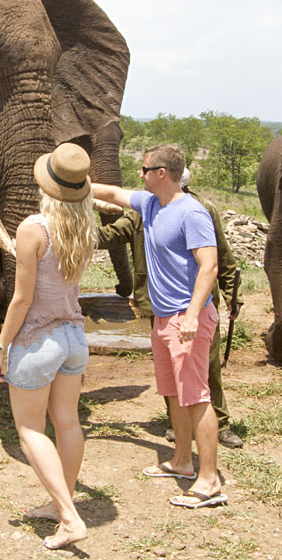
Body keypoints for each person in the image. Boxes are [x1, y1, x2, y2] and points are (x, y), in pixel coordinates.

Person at [93, 144, 227, 509]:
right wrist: (70, 183)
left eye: (144, 169)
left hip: (187, 318)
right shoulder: (151, 204)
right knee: (174, 393)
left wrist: (193, 315)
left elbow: (209, 266)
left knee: (196, 397)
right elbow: (112, 193)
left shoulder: (192, 213)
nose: (140, 174)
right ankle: (182, 460)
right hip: (163, 318)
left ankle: (210, 480)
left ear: (162, 173)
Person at [0, 142, 96, 549]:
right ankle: (60, 503)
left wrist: (1, 346)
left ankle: (69, 517)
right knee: (67, 423)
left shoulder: (33, 228)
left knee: (30, 429)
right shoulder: (85, 227)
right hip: (74, 339)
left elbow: (21, 299)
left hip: (38, 342)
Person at [97, 168, 244, 449]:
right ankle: (178, 424)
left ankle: (221, 424)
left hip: (197, 305)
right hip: (160, 305)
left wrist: (231, 294)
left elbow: (221, 256)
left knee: (208, 367)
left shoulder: (200, 210)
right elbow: (112, 234)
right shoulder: (145, 210)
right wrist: (72, 232)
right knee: (170, 371)